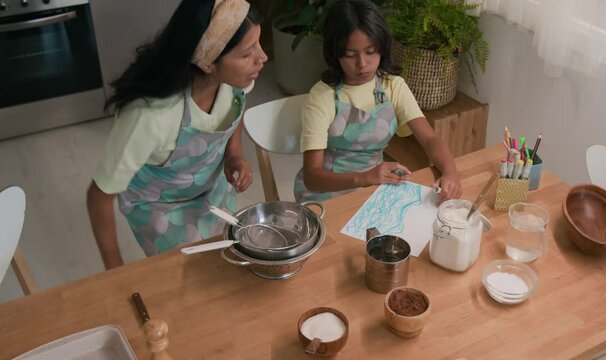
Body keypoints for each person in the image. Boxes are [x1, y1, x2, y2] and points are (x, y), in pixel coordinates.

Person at [86, 0, 268, 269]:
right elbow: (99, 196)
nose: (263, 58)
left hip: (212, 190)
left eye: (259, 45)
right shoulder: (149, 116)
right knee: (191, 275)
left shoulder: (237, 82)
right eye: (246, 53)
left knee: (226, 263)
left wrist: (234, 155)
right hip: (158, 206)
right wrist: (114, 270)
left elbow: (235, 111)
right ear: (209, 63)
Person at [294, 0, 462, 203]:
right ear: (335, 53)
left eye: (370, 52)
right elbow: (313, 178)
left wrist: (450, 173)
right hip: (326, 194)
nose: (362, 64)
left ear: (382, 48)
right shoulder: (322, 97)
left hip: (373, 188)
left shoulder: (393, 86)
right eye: (349, 54)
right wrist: (364, 177)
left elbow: (429, 139)